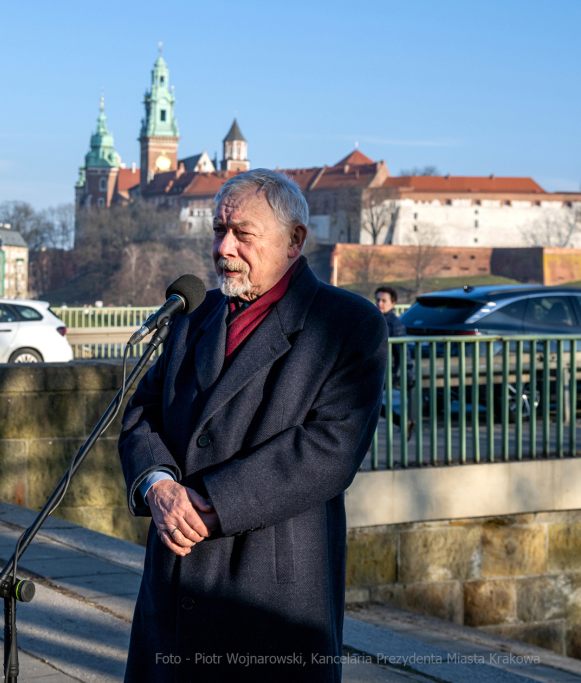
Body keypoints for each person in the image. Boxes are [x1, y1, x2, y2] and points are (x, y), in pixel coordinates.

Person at [118, 169, 387, 682]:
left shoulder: (348, 325)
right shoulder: (191, 315)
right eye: (219, 231)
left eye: (243, 233)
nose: (224, 248)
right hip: (173, 592)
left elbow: (328, 450)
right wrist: (157, 485)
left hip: (268, 595)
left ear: (295, 240)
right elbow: (140, 412)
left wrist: (211, 504)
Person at [375, 286, 413, 428]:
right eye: (378, 300)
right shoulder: (376, 318)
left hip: (387, 371)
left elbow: (403, 350)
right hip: (377, 369)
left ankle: (401, 422)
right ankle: (402, 422)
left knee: (368, 401)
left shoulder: (394, 323)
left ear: (393, 303)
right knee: (369, 403)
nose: (380, 304)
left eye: (384, 301)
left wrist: (409, 374)